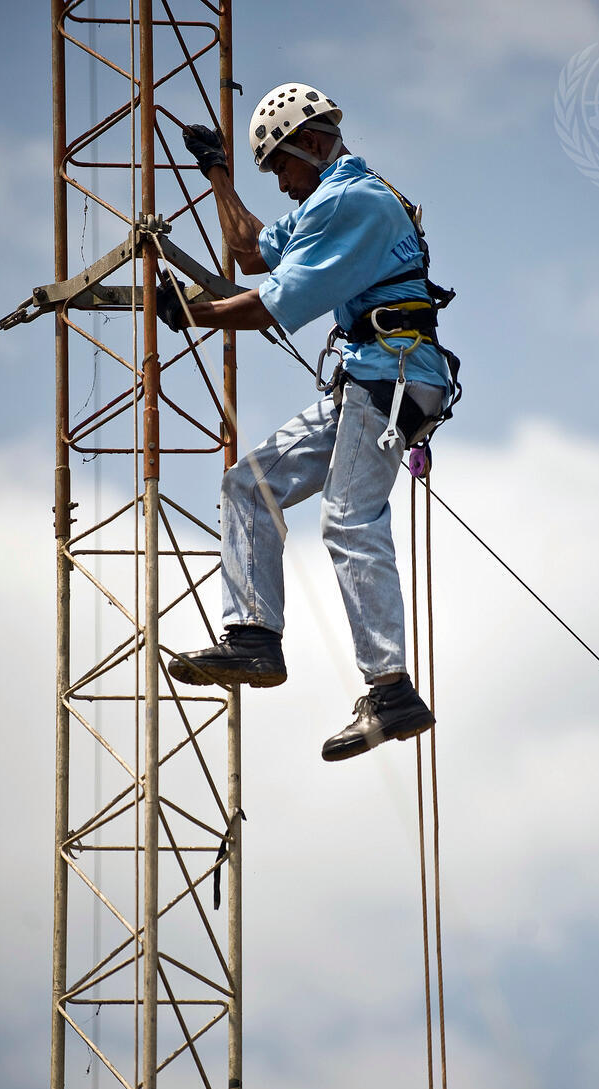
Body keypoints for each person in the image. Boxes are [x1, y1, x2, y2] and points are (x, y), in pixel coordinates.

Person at [156, 83, 454, 763]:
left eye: (283, 168)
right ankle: (254, 637)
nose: (283, 185)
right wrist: (218, 173)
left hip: (392, 375)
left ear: (314, 146)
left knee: (349, 519)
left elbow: (271, 303)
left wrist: (189, 311)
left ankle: (391, 689)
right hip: (373, 377)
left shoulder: (351, 202)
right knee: (248, 485)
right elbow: (252, 256)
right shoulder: (328, 199)